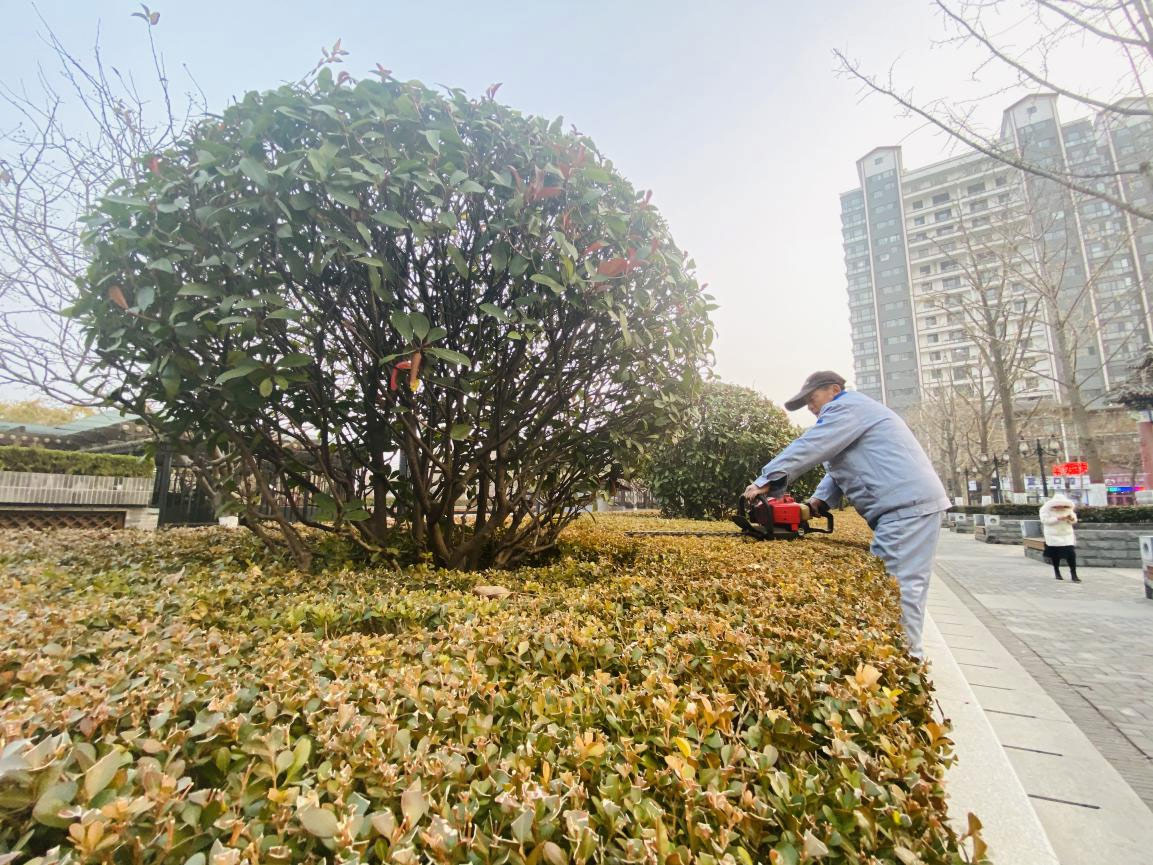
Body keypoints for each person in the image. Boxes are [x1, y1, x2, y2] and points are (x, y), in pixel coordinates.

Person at [742, 371, 950, 659]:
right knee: (893, 585)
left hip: (906, 508)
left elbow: (810, 446)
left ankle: (906, 661)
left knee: (899, 589)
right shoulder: (853, 416)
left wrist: (765, 479)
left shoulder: (846, 407)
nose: (811, 409)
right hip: (904, 507)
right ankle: (899, 657)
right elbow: (838, 471)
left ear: (834, 390)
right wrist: (815, 504)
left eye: (812, 400)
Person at [1039, 493, 1080, 582]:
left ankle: (1074, 574)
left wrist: (1071, 519)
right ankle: (1057, 571)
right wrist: (1058, 518)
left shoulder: (1069, 510)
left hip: (1067, 535)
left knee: (1071, 554)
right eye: (1058, 505)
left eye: (1062, 505)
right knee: (1055, 555)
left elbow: (1074, 520)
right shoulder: (1045, 510)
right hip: (1053, 535)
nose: (1060, 507)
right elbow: (1045, 521)